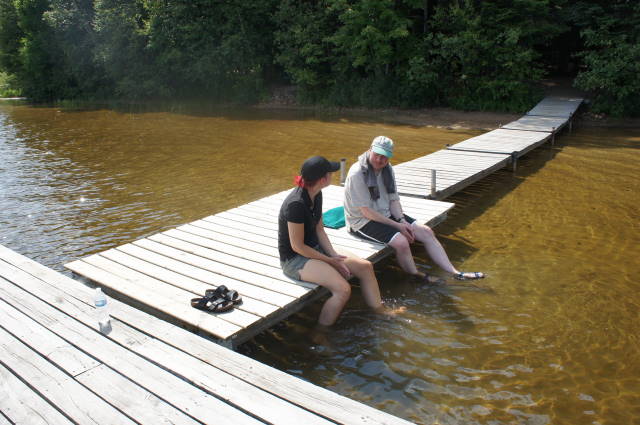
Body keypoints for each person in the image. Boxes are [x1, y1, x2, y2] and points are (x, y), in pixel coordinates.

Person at [344, 136, 485, 283]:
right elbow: (366, 212)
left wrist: (402, 220)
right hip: (361, 221)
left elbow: (393, 200)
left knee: (426, 231)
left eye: (384, 157)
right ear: (370, 150)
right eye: (377, 155)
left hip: (384, 212)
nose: (380, 160)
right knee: (401, 242)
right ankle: (416, 275)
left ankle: (455, 272)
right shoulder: (357, 173)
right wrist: (398, 226)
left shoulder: (387, 169)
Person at [278, 155, 396, 327]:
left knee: (365, 267)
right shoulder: (295, 204)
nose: (332, 175)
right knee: (342, 290)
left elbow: (319, 229)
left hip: (315, 249)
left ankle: (380, 311)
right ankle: (321, 333)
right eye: (330, 173)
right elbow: (297, 246)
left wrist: (334, 255)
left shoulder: (316, 195)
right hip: (295, 260)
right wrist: (330, 261)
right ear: (323, 179)